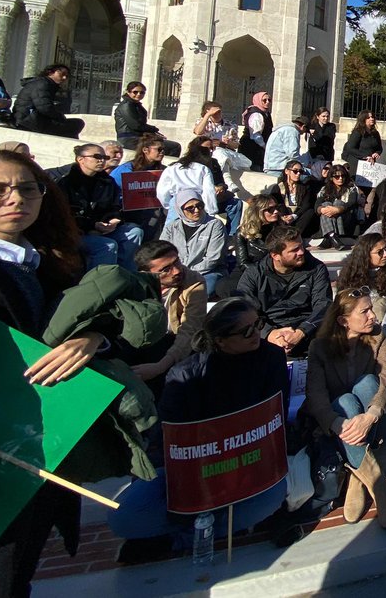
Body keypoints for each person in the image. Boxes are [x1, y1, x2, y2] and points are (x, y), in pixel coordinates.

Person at [0, 149, 98, 594]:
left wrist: (93, 339)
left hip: (38, 453)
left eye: (27, 188)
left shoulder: (48, 263)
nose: (14, 199)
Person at [107, 299, 289, 559]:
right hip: (189, 470)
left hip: (246, 464)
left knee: (272, 498)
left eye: (257, 324)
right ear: (221, 340)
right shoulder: (185, 375)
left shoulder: (272, 357)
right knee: (123, 517)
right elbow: (166, 436)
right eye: (246, 330)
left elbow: (274, 413)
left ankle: (179, 539)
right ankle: (206, 527)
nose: (256, 334)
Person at [305, 287, 386, 527]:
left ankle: (357, 476)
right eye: (365, 312)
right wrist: (337, 423)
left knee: (368, 383)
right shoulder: (319, 347)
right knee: (345, 402)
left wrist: (372, 413)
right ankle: (377, 485)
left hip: (376, 419)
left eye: (371, 310)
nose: (373, 317)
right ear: (343, 320)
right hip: (342, 425)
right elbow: (316, 395)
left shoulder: (378, 337)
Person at [236, 225, 332, 356]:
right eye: (295, 250)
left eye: (301, 246)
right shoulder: (254, 274)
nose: (302, 252)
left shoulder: (316, 268)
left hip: (307, 329)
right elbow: (244, 308)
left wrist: (301, 331)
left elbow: (323, 305)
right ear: (275, 255)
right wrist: (270, 334)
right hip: (267, 330)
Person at [127, 240, 207, 385]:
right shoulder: (134, 285)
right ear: (146, 273)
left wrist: (160, 367)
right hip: (146, 341)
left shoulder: (194, 283)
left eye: (177, 262)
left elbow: (189, 330)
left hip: (175, 344)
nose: (176, 271)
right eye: (166, 269)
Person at [56, 142, 144, 271]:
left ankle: (126, 276)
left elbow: (114, 207)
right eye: (97, 157)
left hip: (102, 228)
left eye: (105, 157)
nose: (102, 160)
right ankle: (101, 282)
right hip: (75, 232)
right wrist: (92, 226)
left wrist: (115, 219)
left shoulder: (107, 181)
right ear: (81, 159)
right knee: (107, 245)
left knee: (135, 232)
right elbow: (63, 215)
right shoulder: (65, 182)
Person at [161, 188, 228, 297]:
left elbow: (213, 258)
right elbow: (162, 252)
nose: (196, 210)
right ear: (180, 210)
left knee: (197, 293)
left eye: (199, 206)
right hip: (176, 273)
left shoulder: (214, 225)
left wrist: (186, 273)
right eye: (190, 208)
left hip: (207, 272)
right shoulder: (171, 228)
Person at [336, 231, 386, 339]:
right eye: (380, 252)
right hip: (354, 325)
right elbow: (342, 306)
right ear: (366, 254)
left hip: (382, 325)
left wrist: (382, 336)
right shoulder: (348, 275)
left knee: (381, 303)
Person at [111, 134, 168, 239]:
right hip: (125, 210)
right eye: (159, 149)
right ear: (145, 150)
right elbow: (112, 190)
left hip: (151, 207)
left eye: (164, 149)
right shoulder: (126, 169)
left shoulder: (163, 170)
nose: (162, 152)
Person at [11, 63, 84, 138]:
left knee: (72, 125)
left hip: (32, 120)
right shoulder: (42, 84)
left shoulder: (46, 84)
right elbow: (44, 107)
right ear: (50, 72)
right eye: (62, 74)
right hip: (28, 122)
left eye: (67, 76)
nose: (64, 77)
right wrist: (60, 117)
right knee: (77, 124)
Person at [156, 137, 218, 224]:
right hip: (197, 203)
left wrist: (170, 206)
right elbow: (209, 192)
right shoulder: (203, 169)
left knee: (170, 233)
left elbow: (162, 192)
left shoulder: (172, 168)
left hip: (176, 202)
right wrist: (211, 211)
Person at [113, 81, 176, 154]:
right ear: (128, 92)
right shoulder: (126, 106)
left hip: (138, 138)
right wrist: (153, 129)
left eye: (142, 92)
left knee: (166, 144)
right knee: (174, 147)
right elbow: (136, 125)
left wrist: (154, 133)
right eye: (135, 92)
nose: (138, 94)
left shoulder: (136, 105)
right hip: (129, 139)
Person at [265, 157, 319, 237]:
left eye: (300, 171)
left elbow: (306, 204)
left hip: (297, 215)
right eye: (295, 171)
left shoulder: (305, 187)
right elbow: (275, 204)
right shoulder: (278, 187)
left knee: (310, 212)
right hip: (283, 216)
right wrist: (283, 216)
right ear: (287, 171)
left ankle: (294, 235)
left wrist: (294, 216)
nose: (298, 174)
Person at [315, 164, 360, 250]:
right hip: (329, 218)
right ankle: (333, 236)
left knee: (338, 202)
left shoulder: (351, 188)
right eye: (337, 176)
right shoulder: (324, 189)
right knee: (325, 204)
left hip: (346, 218)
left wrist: (338, 209)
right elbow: (317, 205)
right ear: (331, 178)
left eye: (343, 176)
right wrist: (322, 209)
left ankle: (328, 238)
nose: (340, 178)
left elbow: (352, 203)